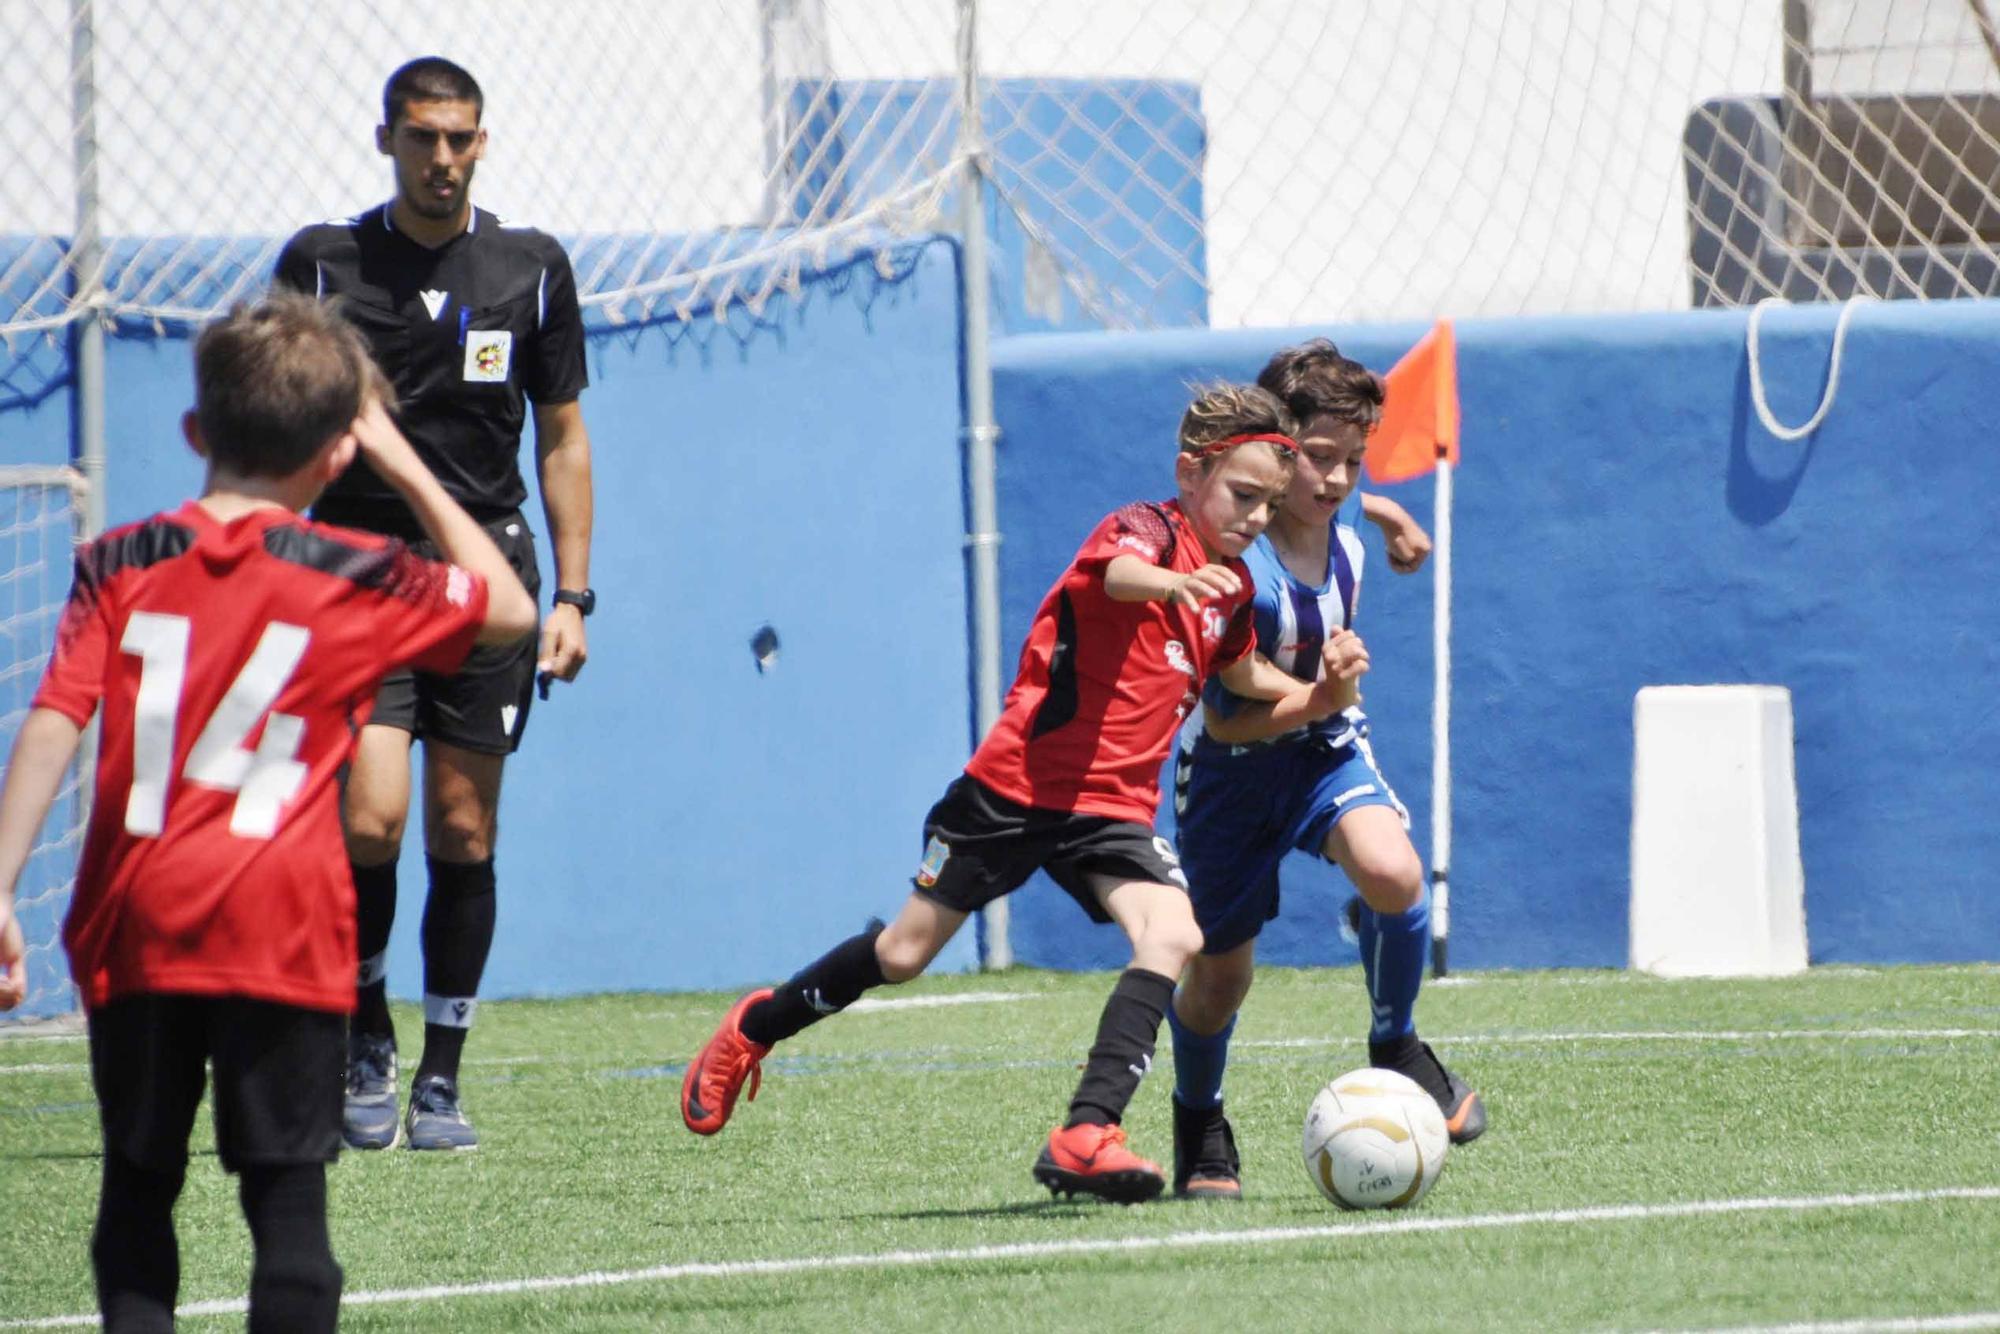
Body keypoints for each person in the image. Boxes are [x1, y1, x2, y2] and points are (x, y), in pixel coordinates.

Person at [0, 294, 535, 1331]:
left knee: (135, 1196)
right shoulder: (352, 573)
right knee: (289, 1213)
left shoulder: (119, 560)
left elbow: (59, 714)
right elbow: (506, 605)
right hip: (279, 926)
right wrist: (407, 462)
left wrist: (1, 884)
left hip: (137, 918)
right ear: (339, 456)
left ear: (197, 432)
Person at [681, 385, 1314, 1203]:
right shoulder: (1145, 532)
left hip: (1109, 811)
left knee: (1173, 932)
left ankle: (1088, 1131)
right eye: (1243, 494)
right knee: (902, 956)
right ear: (1191, 473)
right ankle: (754, 1028)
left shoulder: (1229, 587)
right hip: (1012, 791)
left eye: (1270, 503)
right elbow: (1117, 575)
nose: (1258, 517)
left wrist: (1320, 689)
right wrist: (1167, 585)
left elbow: (1241, 672)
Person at [271, 56, 595, 1151]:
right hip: (357, 573)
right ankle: (366, 1033)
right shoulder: (322, 266)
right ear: (386, 141)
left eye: (460, 139)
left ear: (482, 143)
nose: (442, 159)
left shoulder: (529, 268)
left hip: (485, 574)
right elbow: (274, 426)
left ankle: (442, 1073)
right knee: (370, 818)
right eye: (422, 138)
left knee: (462, 824)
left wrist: (576, 594)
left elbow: (561, 437)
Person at [1165, 338, 1486, 1201]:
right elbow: (1229, 718)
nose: (1337, 479)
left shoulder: (1341, 531)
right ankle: (1199, 1118)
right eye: (1318, 459)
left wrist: (1392, 521)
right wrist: (1323, 692)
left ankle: (1397, 1041)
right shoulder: (1236, 567)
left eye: (1354, 461)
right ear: (1276, 453)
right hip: (1231, 774)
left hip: (1320, 749)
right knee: (1222, 978)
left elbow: (1347, 511)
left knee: (1393, 872)